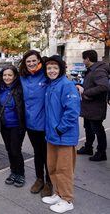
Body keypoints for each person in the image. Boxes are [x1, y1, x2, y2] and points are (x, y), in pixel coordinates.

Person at [42, 55, 80, 213]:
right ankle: (58, 193)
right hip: (52, 136)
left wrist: (60, 129)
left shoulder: (67, 85)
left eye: (55, 68)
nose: (51, 70)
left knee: (64, 169)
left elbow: (72, 112)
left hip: (64, 136)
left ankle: (67, 199)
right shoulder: (51, 85)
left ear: (61, 69)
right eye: (49, 68)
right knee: (52, 167)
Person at [19, 50, 52, 197]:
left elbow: (61, 82)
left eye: (34, 60)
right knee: (37, 153)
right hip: (30, 123)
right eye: (28, 61)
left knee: (47, 154)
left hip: (45, 123)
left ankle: (49, 182)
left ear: (39, 61)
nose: (31, 63)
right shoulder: (23, 78)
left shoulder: (46, 75)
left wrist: (77, 85)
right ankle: (39, 179)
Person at [76, 50, 110, 161]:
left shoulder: (98, 70)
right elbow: (91, 84)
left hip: (95, 108)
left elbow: (104, 86)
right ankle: (88, 147)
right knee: (88, 128)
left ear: (88, 59)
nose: (83, 61)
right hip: (89, 108)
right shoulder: (92, 70)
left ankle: (101, 152)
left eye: (83, 59)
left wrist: (86, 93)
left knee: (98, 130)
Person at [0, 65, 26, 187]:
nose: (7, 77)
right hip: (5, 125)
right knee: (9, 149)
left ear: (15, 76)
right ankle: (13, 171)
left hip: (17, 125)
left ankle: (20, 174)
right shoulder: (0, 88)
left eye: (10, 75)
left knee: (16, 150)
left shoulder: (20, 88)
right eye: (4, 75)